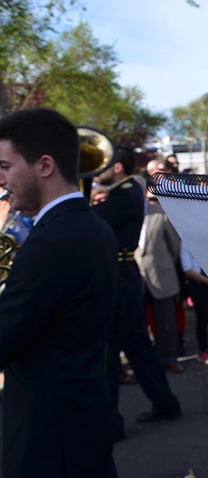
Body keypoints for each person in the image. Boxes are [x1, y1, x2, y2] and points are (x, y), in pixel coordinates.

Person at [0, 108, 118, 476]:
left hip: (49, 440)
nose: (1, 180)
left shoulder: (50, 241)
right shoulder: (93, 227)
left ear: (45, 166)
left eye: (5, 166)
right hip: (82, 421)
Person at [93, 146, 182, 434]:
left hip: (118, 279)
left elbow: (89, 222)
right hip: (125, 276)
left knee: (108, 354)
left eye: (103, 165)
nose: (97, 171)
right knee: (139, 349)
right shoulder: (129, 188)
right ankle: (166, 404)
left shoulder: (124, 192)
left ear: (117, 167)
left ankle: (111, 424)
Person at [136, 189, 185, 373]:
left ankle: (170, 357)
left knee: (166, 320)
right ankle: (147, 361)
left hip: (161, 274)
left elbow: (174, 245)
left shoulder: (160, 212)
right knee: (140, 323)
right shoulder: (126, 213)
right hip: (137, 277)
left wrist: (164, 264)